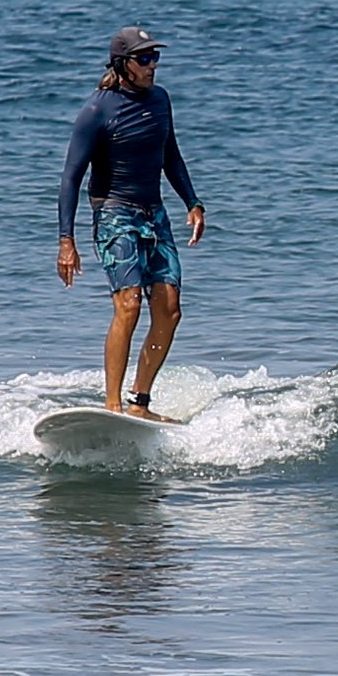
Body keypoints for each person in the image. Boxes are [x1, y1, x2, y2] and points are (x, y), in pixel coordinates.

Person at [57, 26, 206, 422]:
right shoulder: (98, 110)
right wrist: (65, 240)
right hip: (114, 213)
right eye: (144, 58)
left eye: (155, 57)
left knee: (170, 308)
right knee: (129, 303)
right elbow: (71, 176)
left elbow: (170, 155)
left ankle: (140, 403)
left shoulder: (160, 100)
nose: (152, 65)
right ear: (123, 65)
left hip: (153, 212)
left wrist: (192, 202)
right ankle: (112, 406)